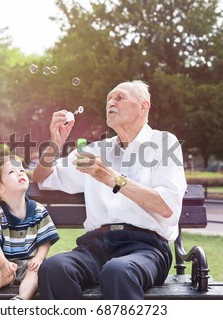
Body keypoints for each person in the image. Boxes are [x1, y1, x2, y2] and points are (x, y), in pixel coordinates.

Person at [33, 80, 187, 300]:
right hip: (97, 245)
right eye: (108, 99)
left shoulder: (164, 143)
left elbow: (167, 208)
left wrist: (111, 177)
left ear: (144, 106)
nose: (110, 103)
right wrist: (54, 144)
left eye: (119, 98)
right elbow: (42, 178)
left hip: (146, 247)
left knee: (118, 271)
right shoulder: (96, 150)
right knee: (54, 268)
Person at [0, 155, 60, 300]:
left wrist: (38, 257)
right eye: (12, 172)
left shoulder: (38, 210)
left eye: (22, 170)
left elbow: (45, 240)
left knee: (35, 271)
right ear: (0, 188)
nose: (20, 173)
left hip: (29, 262)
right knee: (6, 275)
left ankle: (21, 299)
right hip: (2, 262)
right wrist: (4, 263)